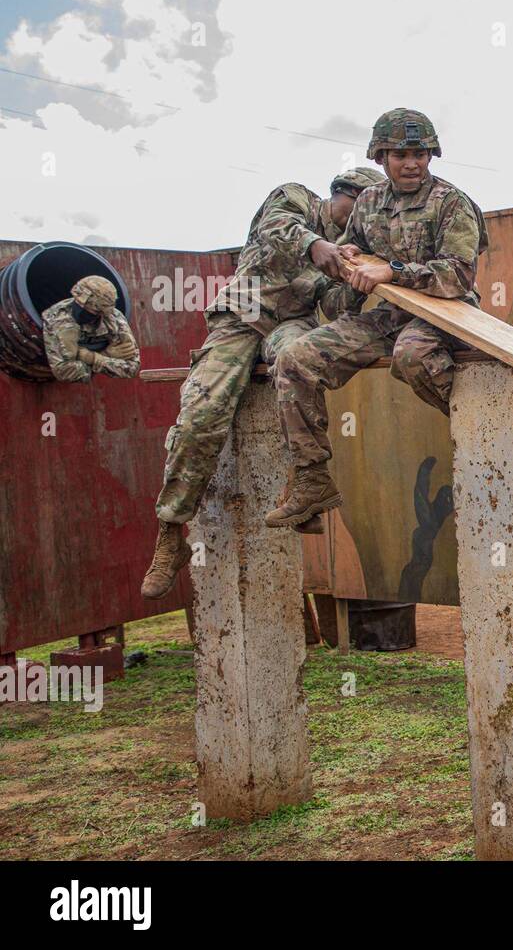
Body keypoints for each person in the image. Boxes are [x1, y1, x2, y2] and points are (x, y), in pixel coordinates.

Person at [140, 167, 385, 600]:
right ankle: (171, 531)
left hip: (288, 325)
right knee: (202, 412)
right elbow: (277, 230)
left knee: (300, 364)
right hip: (240, 319)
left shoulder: (350, 249)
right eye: (356, 207)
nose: (356, 220)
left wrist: (357, 281)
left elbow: (330, 303)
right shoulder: (296, 200)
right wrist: (318, 246)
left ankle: (308, 483)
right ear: (341, 194)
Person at [266, 107, 488, 529]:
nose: (412, 163)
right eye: (400, 154)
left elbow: (459, 275)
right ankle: (313, 480)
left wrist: (394, 272)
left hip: (446, 310)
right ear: (380, 158)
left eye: (420, 154)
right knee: (295, 358)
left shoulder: (451, 202)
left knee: (413, 355)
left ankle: (477, 426)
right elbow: (355, 256)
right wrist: (347, 262)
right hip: (390, 312)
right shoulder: (368, 202)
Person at [42, 275, 139, 382]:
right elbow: (65, 372)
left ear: (101, 313)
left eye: (91, 312)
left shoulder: (114, 319)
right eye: (78, 305)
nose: (80, 312)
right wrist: (106, 356)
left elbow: (131, 368)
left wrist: (93, 358)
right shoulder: (58, 319)